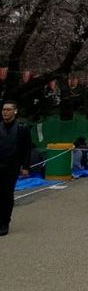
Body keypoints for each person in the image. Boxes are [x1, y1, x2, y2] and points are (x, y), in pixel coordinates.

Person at [0, 100, 31, 236]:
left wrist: (25, 166)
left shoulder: (22, 128)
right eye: (3, 110)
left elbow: (27, 148)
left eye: (8, 110)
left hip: (11, 167)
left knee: (6, 195)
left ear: (15, 111)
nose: (5, 112)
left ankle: (4, 222)